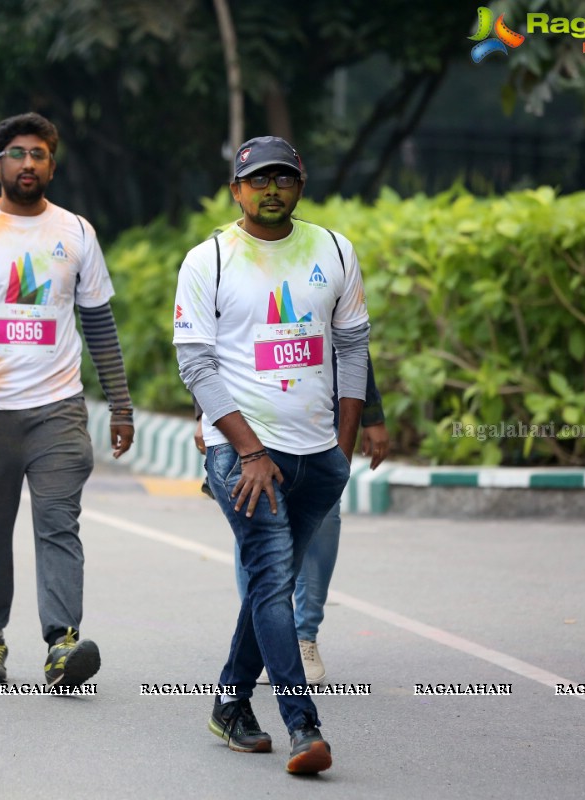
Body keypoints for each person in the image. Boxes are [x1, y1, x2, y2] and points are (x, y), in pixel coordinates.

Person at [174, 136, 369, 775]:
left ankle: (229, 705)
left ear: (300, 185)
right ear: (236, 190)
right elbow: (195, 362)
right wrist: (249, 449)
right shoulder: (211, 260)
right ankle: (303, 725)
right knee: (272, 582)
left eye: (283, 178)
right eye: (258, 181)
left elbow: (350, 348)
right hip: (245, 458)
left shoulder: (334, 250)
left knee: (270, 584)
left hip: (317, 456)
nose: (271, 190)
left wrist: (341, 448)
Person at [0, 112, 134, 687]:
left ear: (52, 164)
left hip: (58, 407)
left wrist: (119, 404)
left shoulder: (76, 232)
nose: (29, 163)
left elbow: (98, 323)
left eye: (39, 154)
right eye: (17, 154)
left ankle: (61, 643)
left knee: (57, 522)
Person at [197, 356, 388, 685]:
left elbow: (350, 340)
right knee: (256, 516)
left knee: (324, 519)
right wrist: (203, 412)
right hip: (250, 413)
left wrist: (371, 414)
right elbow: (205, 347)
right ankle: (262, 636)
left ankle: (303, 637)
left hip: (318, 415)